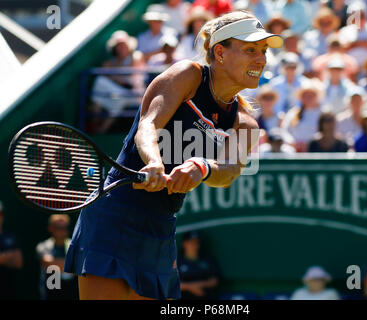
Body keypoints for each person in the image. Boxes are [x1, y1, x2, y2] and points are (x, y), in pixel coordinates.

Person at [64, 11, 283, 300]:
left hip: (161, 226)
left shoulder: (247, 123)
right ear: (220, 52)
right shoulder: (187, 75)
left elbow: (228, 172)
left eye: (264, 51)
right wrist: (153, 161)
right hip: (115, 213)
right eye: (251, 50)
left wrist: (202, 166)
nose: (261, 59)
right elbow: (148, 126)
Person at [36, 214, 78, 300]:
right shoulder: (43, 246)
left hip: (72, 294)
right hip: (50, 296)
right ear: (50, 228)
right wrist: (72, 265)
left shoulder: (74, 246)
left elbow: (78, 266)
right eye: (58, 227)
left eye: (64, 227)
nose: (61, 231)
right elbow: (49, 264)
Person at [281, 78, 324, 152]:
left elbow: (325, 133)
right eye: (305, 95)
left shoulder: (323, 113)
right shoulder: (294, 112)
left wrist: (310, 143)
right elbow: (284, 130)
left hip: (316, 150)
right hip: (294, 150)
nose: (308, 98)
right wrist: (293, 143)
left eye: (311, 95)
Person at [339, 2, 367, 67]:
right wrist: (364, 43)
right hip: (351, 68)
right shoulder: (344, 31)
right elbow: (342, 49)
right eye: (354, 16)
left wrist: (353, 44)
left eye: (361, 15)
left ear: (366, 15)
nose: (358, 18)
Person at [178, 231, 219, 299]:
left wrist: (199, 284)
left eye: (197, 242)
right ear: (184, 244)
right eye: (191, 243)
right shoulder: (177, 261)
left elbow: (214, 280)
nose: (194, 245)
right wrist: (191, 287)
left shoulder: (206, 259)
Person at [0, 201, 23, 300]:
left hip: (8, 290)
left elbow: (18, 262)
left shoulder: (11, 237)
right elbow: (13, 257)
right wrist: (9, 255)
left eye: (0, 214)